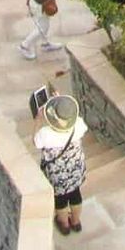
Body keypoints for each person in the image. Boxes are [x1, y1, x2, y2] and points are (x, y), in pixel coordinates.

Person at [34, 93, 87, 236]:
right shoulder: (78, 125)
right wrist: (61, 101)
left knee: (60, 199)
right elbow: (78, 122)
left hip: (58, 175)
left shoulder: (45, 134)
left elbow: (36, 143)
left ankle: (64, 224)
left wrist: (38, 119)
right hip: (76, 168)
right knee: (76, 194)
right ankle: (75, 222)